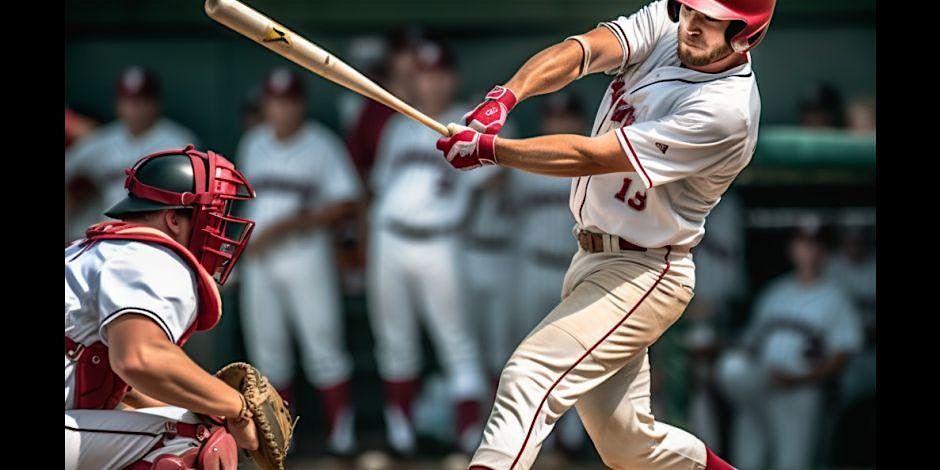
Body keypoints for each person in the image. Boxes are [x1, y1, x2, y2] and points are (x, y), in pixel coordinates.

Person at [433, 0, 775, 467]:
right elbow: (584, 52)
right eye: (691, 11)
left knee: (529, 374)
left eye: (711, 21)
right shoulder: (670, 24)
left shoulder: (726, 111)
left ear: (746, 33)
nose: (692, 26)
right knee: (626, 444)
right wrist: (505, 98)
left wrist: (495, 150)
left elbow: (594, 156)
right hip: (594, 256)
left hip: (646, 270)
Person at [65, 145, 258, 469]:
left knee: (183, 420)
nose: (220, 233)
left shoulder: (101, 250)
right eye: (213, 217)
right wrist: (235, 406)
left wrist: (208, 402)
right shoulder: (149, 254)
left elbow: (123, 390)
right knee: (197, 442)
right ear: (173, 219)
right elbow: (140, 358)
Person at [368, 37, 488, 458]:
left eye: (438, 73)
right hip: (390, 240)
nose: (431, 82)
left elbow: (491, 185)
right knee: (394, 342)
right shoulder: (401, 124)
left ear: (452, 78)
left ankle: (468, 440)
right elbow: (380, 189)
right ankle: (401, 438)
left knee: (457, 341)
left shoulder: (471, 124)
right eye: (423, 73)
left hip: (442, 242)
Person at [236, 67, 363, 455]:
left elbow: (348, 202)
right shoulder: (253, 142)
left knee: (323, 348)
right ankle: (280, 442)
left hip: (306, 254)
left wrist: (294, 222)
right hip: (261, 260)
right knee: (268, 354)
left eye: (288, 101)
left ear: (301, 104)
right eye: (274, 102)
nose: (281, 110)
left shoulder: (321, 145)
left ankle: (343, 437)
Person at [715, 221, 863, 470]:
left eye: (815, 245)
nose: (808, 251)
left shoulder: (837, 296)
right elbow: (750, 343)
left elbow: (842, 355)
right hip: (763, 386)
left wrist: (801, 379)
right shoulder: (775, 292)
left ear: (824, 252)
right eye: (803, 243)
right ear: (792, 249)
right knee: (747, 460)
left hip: (802, 390)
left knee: (792, 464)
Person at [65, 66, 199, 241]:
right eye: (128, 101)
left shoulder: (179, 141)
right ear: (118, 104)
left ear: (156, 103)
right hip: (106, 235)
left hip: (156, 237)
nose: (135, 108)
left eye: (142, 101)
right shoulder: (100, 141)